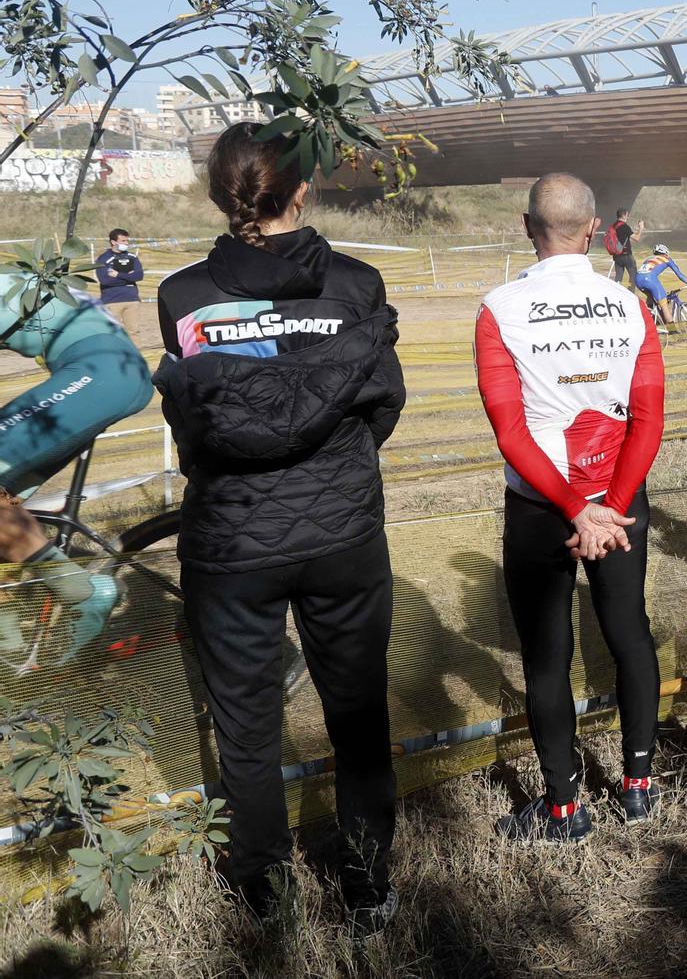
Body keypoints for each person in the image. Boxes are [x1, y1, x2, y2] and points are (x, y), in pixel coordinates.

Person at [153, 121, 405, 928]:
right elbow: (382, 405)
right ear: (302, 189)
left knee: (246, 727)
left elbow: (201, 417)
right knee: (357, 711)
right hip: (342, 534)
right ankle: (368, 884)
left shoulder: (183, 296)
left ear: (224, 194)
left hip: (229, 543)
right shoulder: (358, 286)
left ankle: (261, 891)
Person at [477, 174, 665, 843]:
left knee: (546, 657)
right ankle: (638, 787)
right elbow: (649, 419)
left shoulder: (498, 307)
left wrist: (573, 509)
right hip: (620, 501)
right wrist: (609, 507)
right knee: (628, 632)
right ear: (593, 229)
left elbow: (510, 432)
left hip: (540, 505)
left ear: (527, 225)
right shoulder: (629, 303)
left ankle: (564, 810)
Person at [0, 254, 153, 670]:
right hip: (103, 372)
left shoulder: (4, 282)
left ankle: (84, 594)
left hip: (102, 374)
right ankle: (13, 641)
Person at [93, 229, 146, 342]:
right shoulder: (103, 259)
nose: (126, 243)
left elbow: (139, 275)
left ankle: (135, 357)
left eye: (127, 241)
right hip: (111, 301)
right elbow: (105, 280)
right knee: (111, 333)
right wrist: (128, 277)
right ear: (113, 242)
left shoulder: (132, 257)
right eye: (123, 240)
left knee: (133, 332)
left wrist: (117, 275)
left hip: (131, 300)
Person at [634, 243, 687, 321]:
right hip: (650, 280)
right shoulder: (667, 259)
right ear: (666, 253)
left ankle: (651, 317)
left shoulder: (648, 259)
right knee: (664, 305)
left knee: (650, 296)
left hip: (638, 280)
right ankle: (672, 331)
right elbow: (679, 274)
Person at [603, 207, 641, 288]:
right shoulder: (625, 226)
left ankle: (616, 293)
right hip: (626, 256)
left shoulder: (613, 226)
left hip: (617, 256)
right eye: (627, 215)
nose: (628, 216)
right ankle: (632, 294)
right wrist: (641, 228)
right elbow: (637, 238)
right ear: (624, 216)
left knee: (618, 278)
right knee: (633, 277)